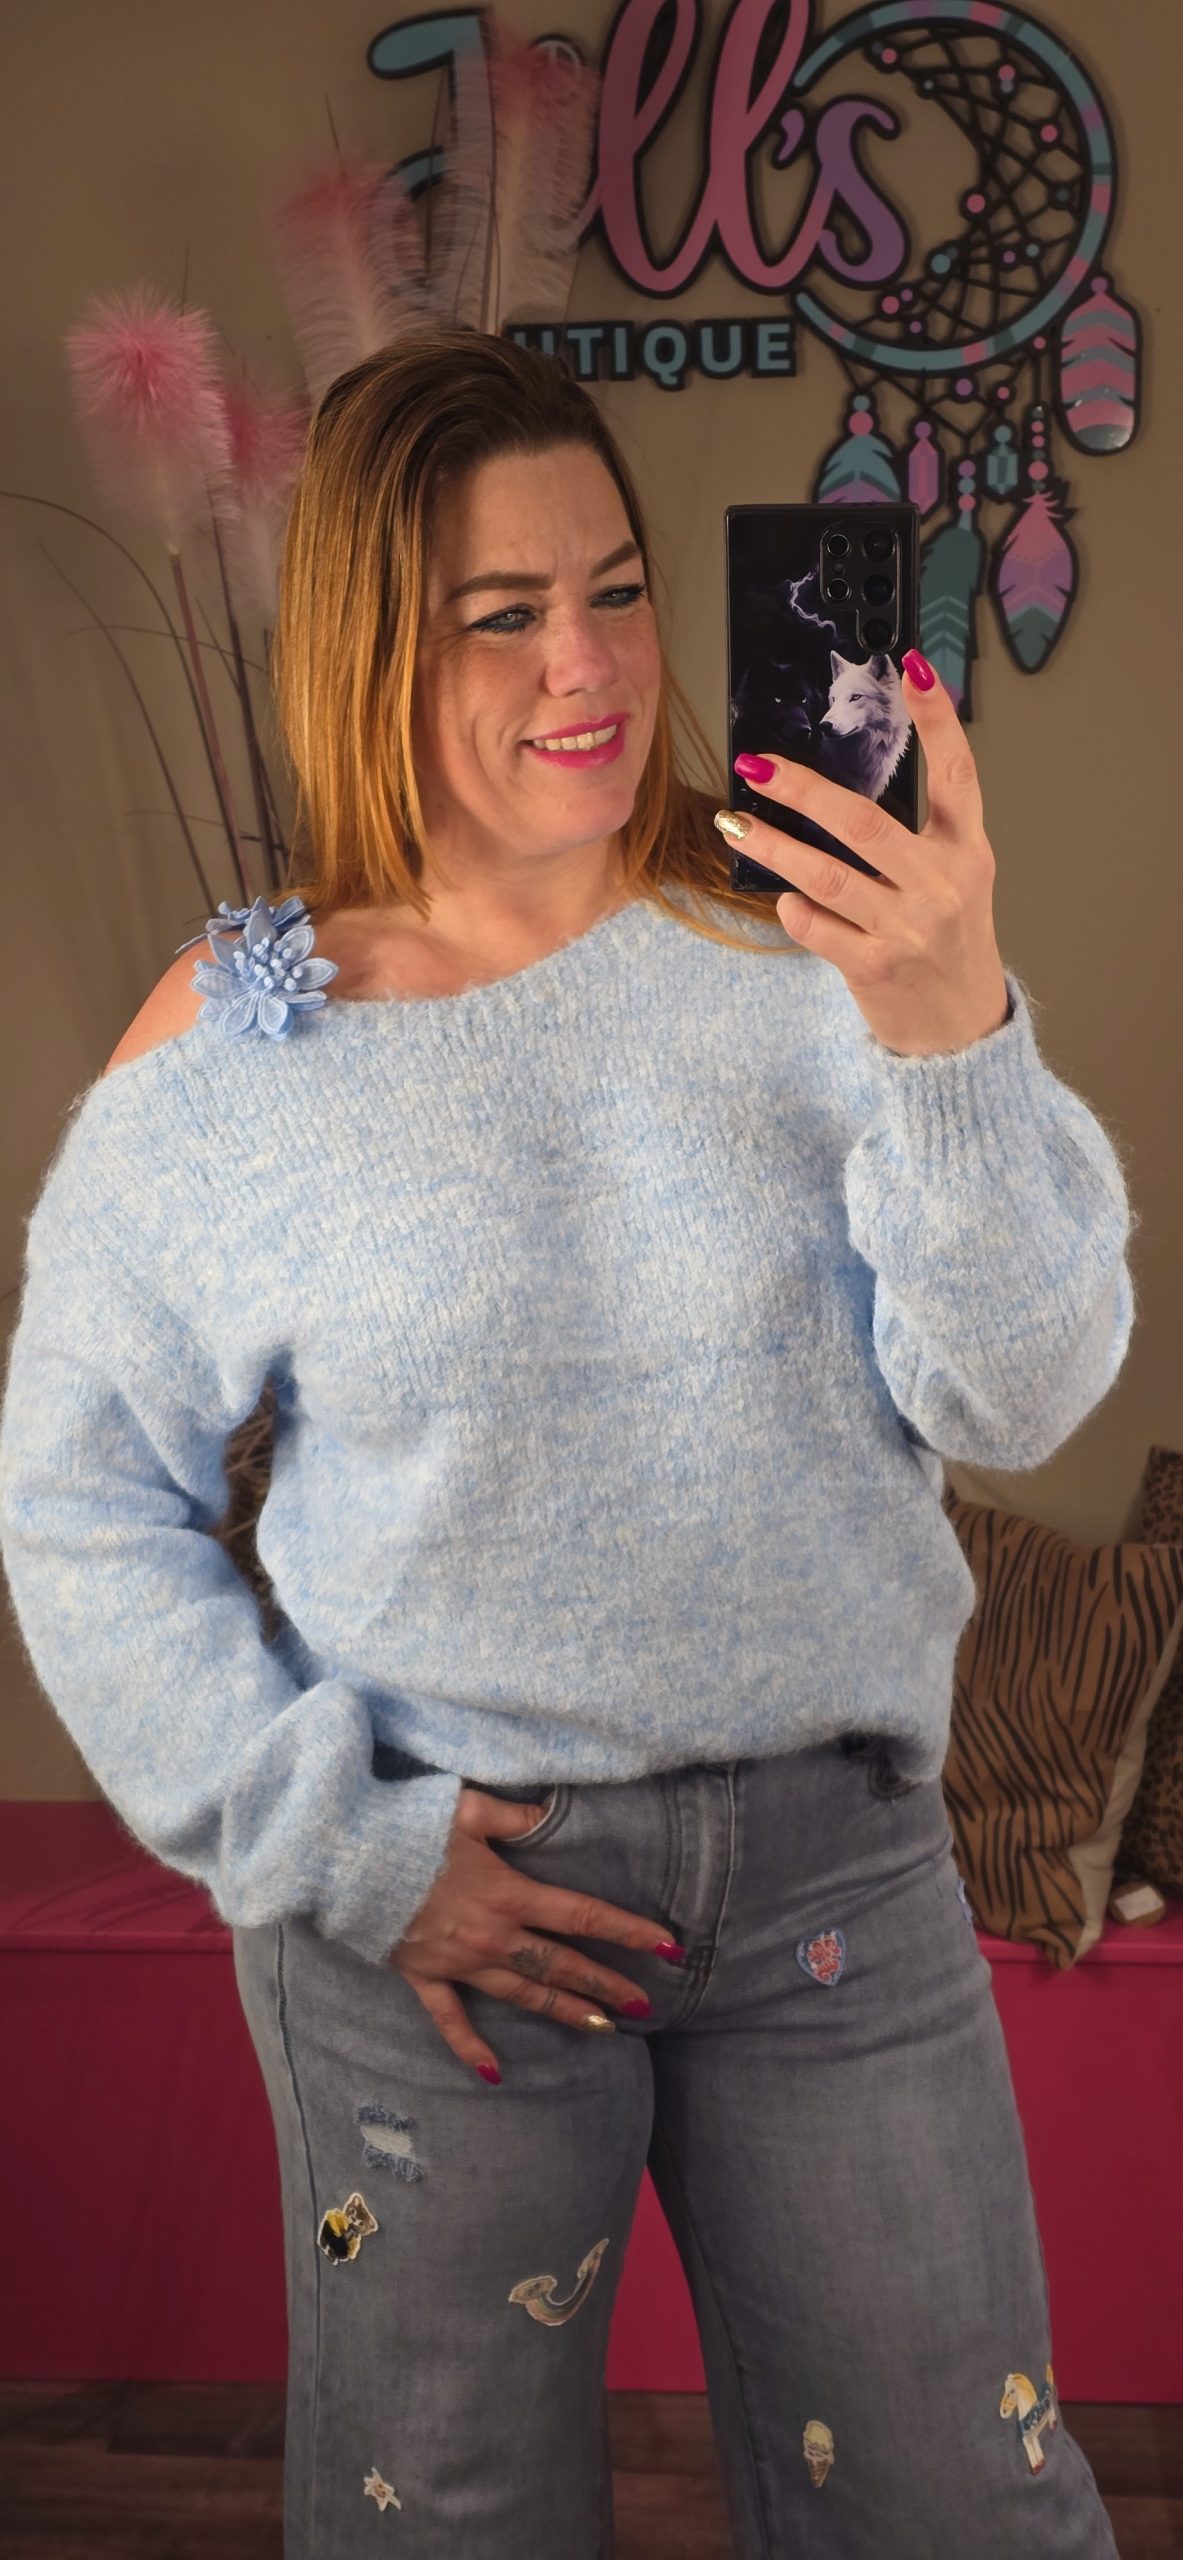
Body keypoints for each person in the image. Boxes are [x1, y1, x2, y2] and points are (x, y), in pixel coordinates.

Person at [0, 327, 1134, 2559]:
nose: (587, 666)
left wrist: (953, 1033)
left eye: (614, 588)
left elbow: (1017, 1393)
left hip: (840, 1886)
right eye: (498, 614)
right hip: (444, 1924)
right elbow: (79, 1507)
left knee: (969, 2516)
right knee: (448, 2526)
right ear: (365, 645)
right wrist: (343, 1845)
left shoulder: (827, 933)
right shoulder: (237, 1042)